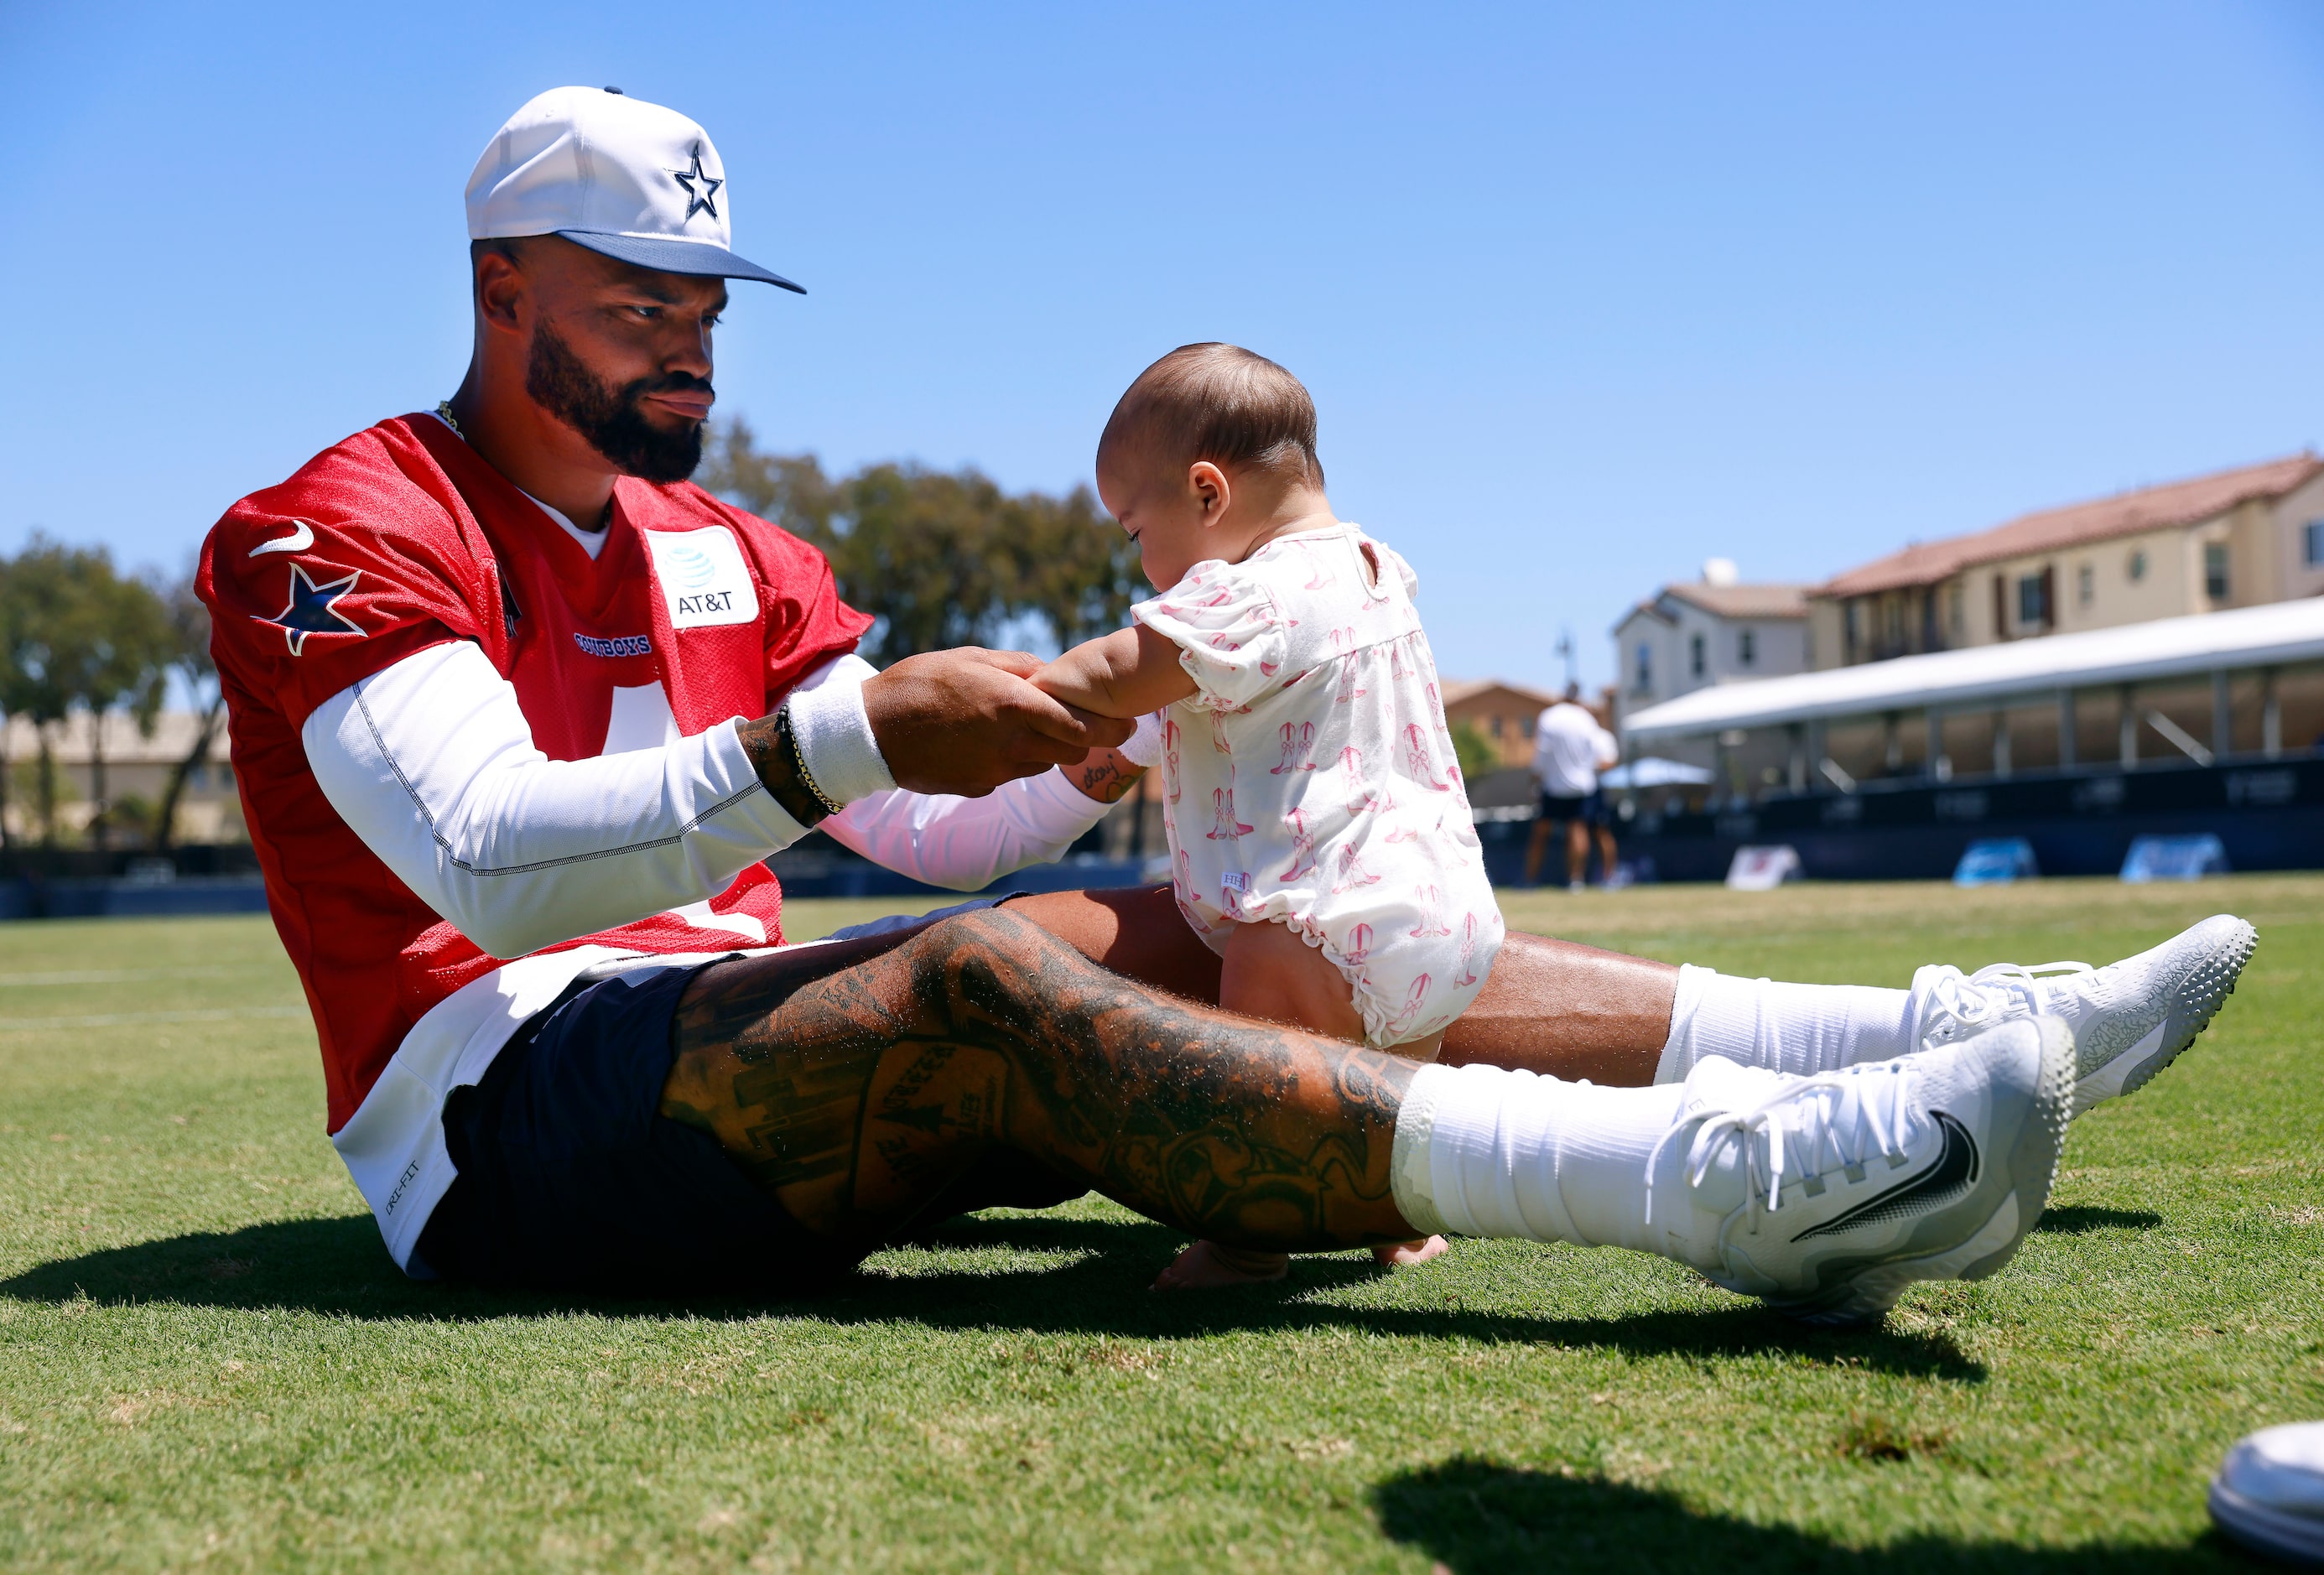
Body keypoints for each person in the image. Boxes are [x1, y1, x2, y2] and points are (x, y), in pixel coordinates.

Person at [197, 86, 2259, 1326]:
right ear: (496, 289)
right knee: (989, 985)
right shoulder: (334, 523)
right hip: (497, 1121)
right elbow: (484, 862)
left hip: (706, 1036)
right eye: (636, 301)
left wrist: (1072, 754)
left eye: (704, 306)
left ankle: (1936, 1028)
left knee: (1271, 929)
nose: (684, 343)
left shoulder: (726, 542)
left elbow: (914, 837)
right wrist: (843, 739)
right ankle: (1724, 1186)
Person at [1030, 343, 1504, 1286]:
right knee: (1380, 1102)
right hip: (1439, 918)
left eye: (1132, 531)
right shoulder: (1371, 569)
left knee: (1258, 1085)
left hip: (1317, 926)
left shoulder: (1250, 592)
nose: (1139, 561)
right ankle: (1393, 1223)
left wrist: (1032, 688)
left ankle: (1243, 1241)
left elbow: (1128, 672)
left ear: (1208, 494)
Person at [1526, 685, 1618, 889]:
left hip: (1554, 787)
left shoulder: (1549, 717)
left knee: (1541, 834)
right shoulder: (1586, 720)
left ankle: (1530, 881)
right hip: (1582, 787)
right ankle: (1576, 880)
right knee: (1578, 829)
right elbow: (1600, 757)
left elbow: (1541, 754)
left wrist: (1534, 780)